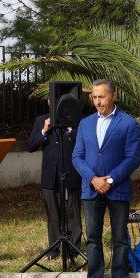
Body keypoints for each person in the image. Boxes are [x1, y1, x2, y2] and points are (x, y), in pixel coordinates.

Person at [72, 79, 140, 278]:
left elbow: (133, 159)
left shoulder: (128, 123)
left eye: (101, 96)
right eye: (94, 97)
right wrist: (93, 179)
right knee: (92, 237)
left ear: (113, 96)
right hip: (91, 189)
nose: (97, 101)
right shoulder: (85, 123)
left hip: (117, 188)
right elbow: (77, 157)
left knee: (120, 238)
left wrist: (109, 179)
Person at [27, 100, 82, 260]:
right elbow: (30, 146)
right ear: (49, 101)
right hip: (51, 176)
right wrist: (44, 130)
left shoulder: (78, 119)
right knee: (53, 214)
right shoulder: (41, 120)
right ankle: (53, 249)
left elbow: (85, 141)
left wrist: (70, 129)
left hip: (72, 174)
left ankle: (74, 249)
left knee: (73, 212)